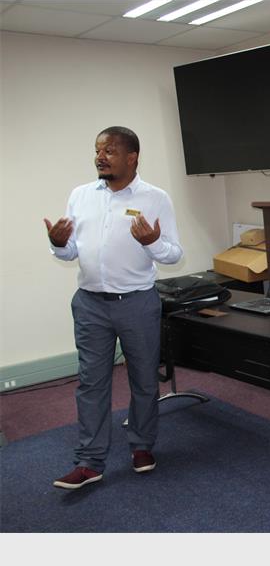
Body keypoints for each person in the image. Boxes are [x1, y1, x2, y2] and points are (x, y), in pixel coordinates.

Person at [45, 126, 183, 489]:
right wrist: (57, 244)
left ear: (132, 157)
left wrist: (153, 243)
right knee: (91, 383)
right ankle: (89, 461)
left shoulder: (155, 198)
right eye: (97, 150)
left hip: (137, 303)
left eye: (109, 151)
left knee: (143, 379)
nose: (100, 157)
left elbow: (174, 254)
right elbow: (70, 251)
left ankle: (142, 446)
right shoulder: (80, 195)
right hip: (90, 304)